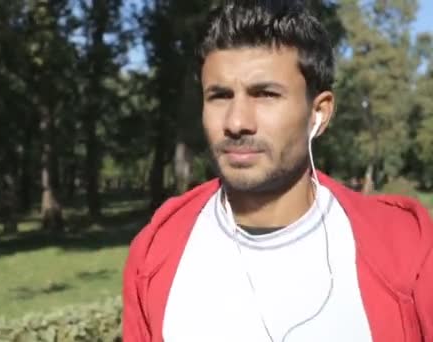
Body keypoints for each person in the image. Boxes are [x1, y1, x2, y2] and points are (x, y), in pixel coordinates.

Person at [121, 1, 433, 341]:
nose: (237, 122)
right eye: (220, 96)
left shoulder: (408, 249)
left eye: (266, 94)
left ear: (319, 113)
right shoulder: (155, 251)